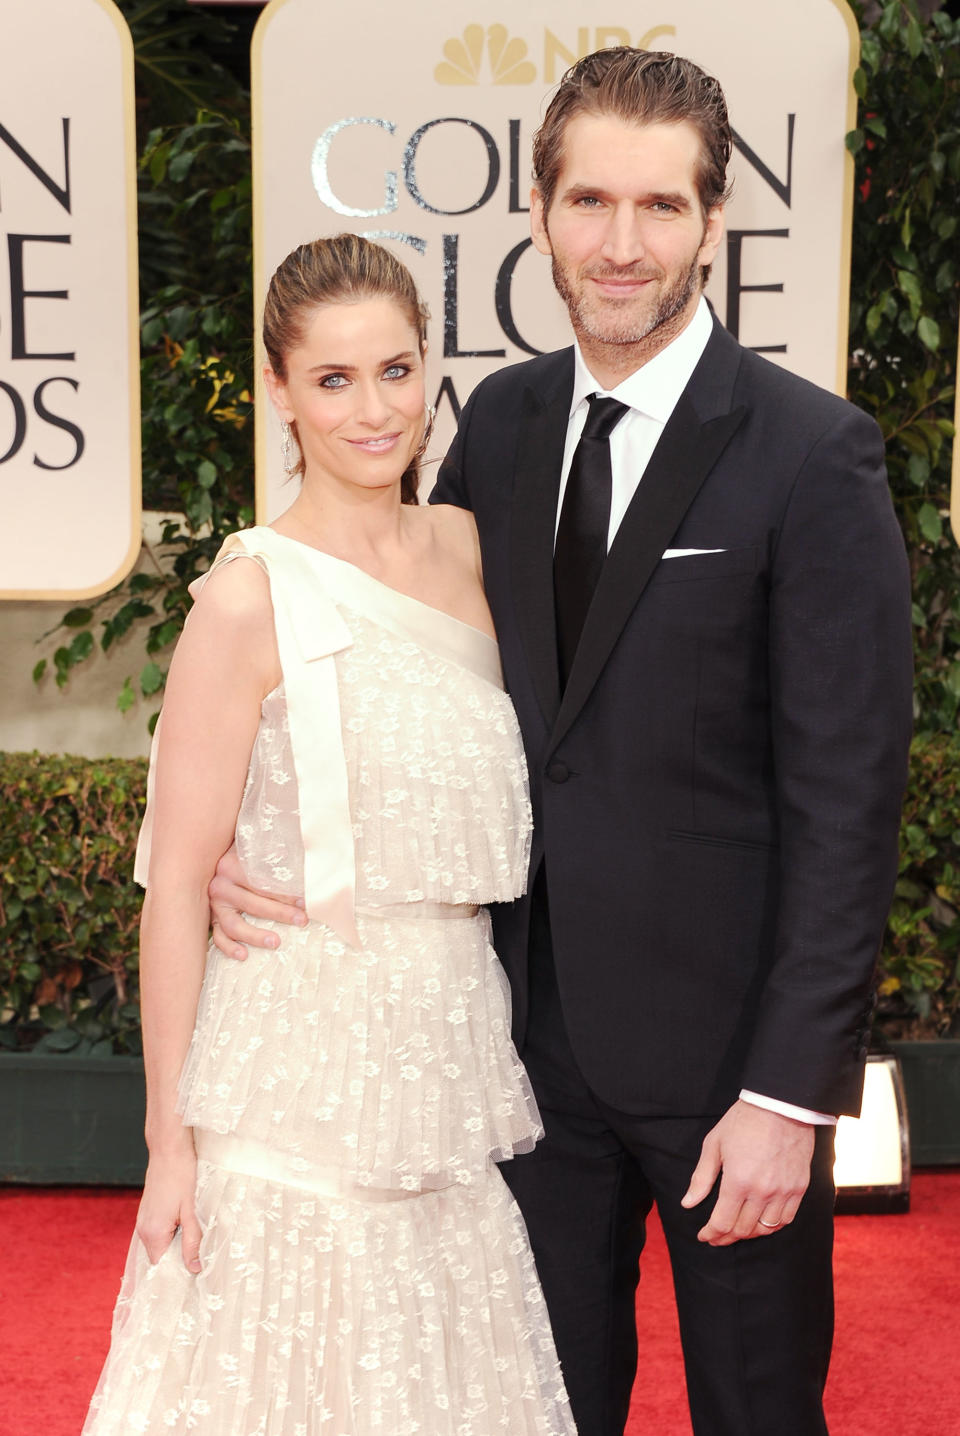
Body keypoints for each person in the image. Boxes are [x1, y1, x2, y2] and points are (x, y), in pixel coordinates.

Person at [210, 50, 914, 1436]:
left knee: (759, 1414)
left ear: (714, 222)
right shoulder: (503, 433)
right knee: (529, 1409)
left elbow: (850, 800)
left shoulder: (810, 454)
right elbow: (396, 673)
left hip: (729, 1074)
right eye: (590, 200)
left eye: (661, 206)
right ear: (538, 213)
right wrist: (241, 841)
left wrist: (791, 1092)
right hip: (516, 1060)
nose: (622, 243)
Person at [83, 234, 575, 1436]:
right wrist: (170, 1145)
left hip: (449, 1061)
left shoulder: (471, 551)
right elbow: (175, 886)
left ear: (431, 373)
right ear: (283, 395)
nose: (374, 410)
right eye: (336, 379)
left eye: (397, 371)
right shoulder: (249, 594)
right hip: (290, 1070)